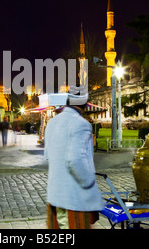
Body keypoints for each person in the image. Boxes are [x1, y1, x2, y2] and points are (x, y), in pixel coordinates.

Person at [44, 94, 104, 229]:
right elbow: (76, 160)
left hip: (55, 192)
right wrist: (88, 182)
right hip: (74, 195)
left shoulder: (52, 122)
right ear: (84, 106)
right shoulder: (81, 124)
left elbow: (47, 155)